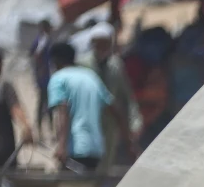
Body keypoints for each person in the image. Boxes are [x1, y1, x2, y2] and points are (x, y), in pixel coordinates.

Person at [48, 41, 125, 171]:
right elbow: (115, 108)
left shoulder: (58, 78)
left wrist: (62, 146)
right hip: (96, 149)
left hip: (74, 148)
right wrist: (129, 144)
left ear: (55, 61)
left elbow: (63, 109)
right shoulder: (91, 76)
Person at [81, 23, 140, 164]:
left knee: (106, 163)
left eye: (105, 43)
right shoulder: (83, 64)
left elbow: (126, 95)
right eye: (98, 43)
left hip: (110, 122)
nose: (101, 47)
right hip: (88, 121)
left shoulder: (116, 65)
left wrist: (134, 119)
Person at [31, 19, 54, 138]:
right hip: (44, 77)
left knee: (45, 102)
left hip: (44, 76)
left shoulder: (42, 39)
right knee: (45, 103)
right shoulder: (43, 39)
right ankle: (43, 130)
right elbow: (36, 55)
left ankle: (46, 130)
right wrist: (42, 70)